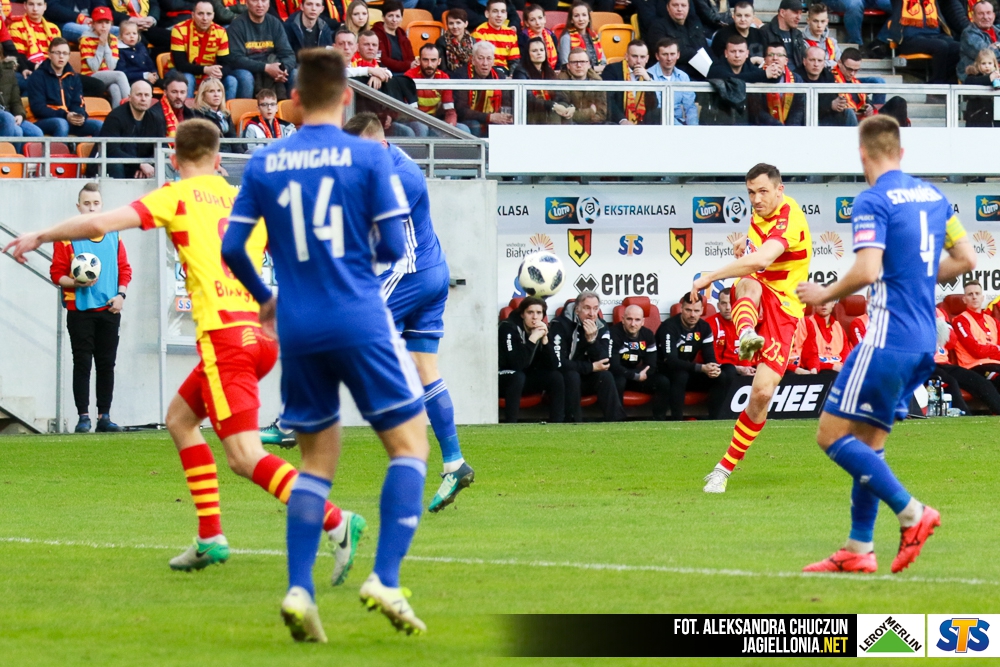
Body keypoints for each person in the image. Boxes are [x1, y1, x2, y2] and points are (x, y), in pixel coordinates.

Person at [4, 119, 366, 592]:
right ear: (219, 160)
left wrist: (41, 235)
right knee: (179, 418)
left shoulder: (175, 196)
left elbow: (97, 224)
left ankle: (337, 520)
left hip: (226, 340)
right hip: (259, 335)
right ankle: (210, 536)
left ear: (174, 159)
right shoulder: (244, 199)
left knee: (244, 456)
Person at [221, 48, 431, 640]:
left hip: (298, 324)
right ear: (346, 98)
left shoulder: (265, 160)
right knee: (409, 446)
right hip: (359, 316)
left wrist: (265, 297)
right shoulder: (369, 155)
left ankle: (299, 589)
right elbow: (393, 246)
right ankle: (385, 578)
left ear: (293, 100)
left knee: (315, 462)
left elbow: (234, 248)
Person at [795, 115, 976, 574]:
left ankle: (912, 512)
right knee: (868, 444)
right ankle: (859, 548)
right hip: (923, 340)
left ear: (862, 154)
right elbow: (967, 258)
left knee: (830, 435)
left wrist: (824, 293)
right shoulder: (934, 197)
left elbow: (867, 270)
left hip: (887, 337)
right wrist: (916, 276)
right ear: (901, 152)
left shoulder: (872, 200)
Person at [343, 110, 475, 513]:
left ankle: (292, 421)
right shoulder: (387, 160)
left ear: (380, 144)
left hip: (411, 273)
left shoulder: (401, 177)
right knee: (425, 369)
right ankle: (454, 463)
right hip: (431, 272)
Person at [693, 163, 812, 493]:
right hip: (759, 290)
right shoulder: (759, 213)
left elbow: (762, 259)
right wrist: (745, 247)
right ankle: (746, 333)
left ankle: (724, 467)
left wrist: (709, 276)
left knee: (761, 394)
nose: (756, 199)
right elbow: (756, 259)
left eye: (762, 191)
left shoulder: (789, 218)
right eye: (750, 192)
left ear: (779, 190)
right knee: (748, 283)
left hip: (785, 309)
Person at [47, 184, 131, 433]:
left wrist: (121, 295)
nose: (92, 208)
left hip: (109, 309)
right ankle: (83, 417)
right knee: (82, 363)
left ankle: (104, 417)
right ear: (78, 207)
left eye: (96, 203)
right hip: (80, 311)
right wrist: (75, 282)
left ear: (101, 206)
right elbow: (56, 274)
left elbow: (124, 269)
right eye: (87, 204)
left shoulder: (114, 233)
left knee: (106, 364)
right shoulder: (66, 236)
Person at [551, 291, 626, 422]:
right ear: (577, 309)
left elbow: (605, 361)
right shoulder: (560, 325)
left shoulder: (601, 325)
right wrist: (590, 367)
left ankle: (616, 422)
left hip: (588, 377)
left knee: (605, 376)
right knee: (572, 375)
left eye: (595, 308)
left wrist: (592, 341)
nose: (592, 313)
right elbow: (558, 363)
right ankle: (574, 423)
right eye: (587, 308)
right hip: (566, 378)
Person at [657, 294, 734, 420]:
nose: (692, 315)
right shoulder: (669, 327)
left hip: (688, 370)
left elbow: (710, 356)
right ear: (681, 309)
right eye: (688, 310)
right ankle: (677, 420)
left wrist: (713, 368)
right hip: (665, 371)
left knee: (723, 373)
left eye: (696, 311)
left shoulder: (704, 327)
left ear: (702, 311)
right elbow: (671, 360)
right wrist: (701, 368)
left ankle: (716, 419)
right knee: (681, 374)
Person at [498, 296, 565, 423]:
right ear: (522, 314)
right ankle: (510, 424)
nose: (535, 317)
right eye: (530, 312)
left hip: (525, 378)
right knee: (518, 376)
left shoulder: (543, 329)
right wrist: (533, 339)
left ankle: (557, 424)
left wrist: (545, 340)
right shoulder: (508, 328)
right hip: (503, 377)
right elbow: (516, 364)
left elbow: (554, 365)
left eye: (539, 313)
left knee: (555, 377)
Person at [26, 39, 104, 137]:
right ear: (49, 55)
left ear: (69, 56)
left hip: (68, 119)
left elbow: (78, 103)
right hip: (43, 120)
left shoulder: (73, 76)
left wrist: (79, 115)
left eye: (65, 53)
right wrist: (65, 115)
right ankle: (58, 148)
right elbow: (38, 108)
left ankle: (95, 149)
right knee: (61, 124)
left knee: (99, 125)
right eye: (57, 53)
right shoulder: (37, 76)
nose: (61, 56)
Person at [169, 0, 238, 101]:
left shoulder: (221, 32)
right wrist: (205, 70)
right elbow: (181, 65)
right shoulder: (179, 29)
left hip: (209, 74)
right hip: (181, 72)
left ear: (213, 16)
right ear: (193, 15)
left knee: (232, 80)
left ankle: (225, 111)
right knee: (188, 78)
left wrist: (219, 72)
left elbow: (226, 64)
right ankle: (186, 110)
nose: (205, 18)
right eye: (200, 14)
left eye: (208, 14)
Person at [228, 0, 297, 100]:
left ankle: (288, 109)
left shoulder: (275, 23)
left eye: (264, 0)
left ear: (269, 4)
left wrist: (282, 70)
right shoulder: (237, 25)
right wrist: (265, 68)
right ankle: (245, 109)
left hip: (273, 65)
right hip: (248, 69)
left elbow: (288, 54)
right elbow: (236, 59)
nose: (260, 5)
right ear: (246, 3)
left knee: (295, 74)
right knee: (245, 77)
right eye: (255, 1)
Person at [95, 80, 165, 178]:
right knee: (115, 165)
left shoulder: (155, 119)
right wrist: (139, 164)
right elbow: (111, 150)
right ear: (129, 97)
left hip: (139, 167)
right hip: (109, 167)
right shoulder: (115, 117)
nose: (143, 99)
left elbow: (162, 147)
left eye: (147, 95)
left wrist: (148, 165)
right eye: (139, 95)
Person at [611, 304, 669, 420]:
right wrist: (635, 375)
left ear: (643, 322)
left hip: (637, 376)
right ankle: (617, 421)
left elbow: (651, 365)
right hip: (619, 375)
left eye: (637, 320)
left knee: (663, 381)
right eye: (629, 319)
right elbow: (614, 366)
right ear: (623, 319)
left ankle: (659, 420)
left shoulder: (647, 335)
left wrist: (638, 375)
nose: (633, 324)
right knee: (619, 381)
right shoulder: (613, 333)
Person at [887, 0, 961, 85]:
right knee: (940, 46)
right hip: (908, 40)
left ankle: (948, 80)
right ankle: (937, 82)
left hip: (934, 36)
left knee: (958, 47)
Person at [404, 44, 472, 134]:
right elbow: (412, 113)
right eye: (425, 60)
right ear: (419, 60)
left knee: (463, 129)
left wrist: (450, 126)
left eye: (433, 60)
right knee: (421, 127)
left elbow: (449, 111)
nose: (429, 64)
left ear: (439, 61)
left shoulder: (443, 78)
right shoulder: (409, 76)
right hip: (413, 120)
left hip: (435, 121)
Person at [452, 40, 511, 137]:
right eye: (481, 58)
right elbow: (461, 110)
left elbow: (506, 103)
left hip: (493, 118)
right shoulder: (462, 75)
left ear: (493, 61)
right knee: (474, 124)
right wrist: (488, 117)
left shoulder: (499, 76)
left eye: (489, 58)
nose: (485, 63)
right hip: (467, 120)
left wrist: (505, 117)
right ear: (473, 60)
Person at [513, 36, 573, 124]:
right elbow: (527, 99)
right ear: (528, 54)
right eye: (534, 51)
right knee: (554, 111)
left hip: (546, 111)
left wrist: (568, 106)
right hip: (530, 114)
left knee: (565, 108)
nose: (539, 53)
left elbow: (559, 94)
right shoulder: (520, 71)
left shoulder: (548, 71)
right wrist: (552, 106)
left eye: (541, 50)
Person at [952, 280, 1000, 391]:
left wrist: (990, 350)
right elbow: (976, 350)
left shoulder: (993, 321)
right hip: (975, 367)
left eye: (977, 294)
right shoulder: (960, 320)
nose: (974, 297)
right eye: (970, 294)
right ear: (964, 299)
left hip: (995, 365)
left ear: (982, 297)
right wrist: (996, 349)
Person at [646, 0, 712, 80]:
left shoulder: (695, 24)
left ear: (688, 7)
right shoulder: (658, 27)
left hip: (701, 72)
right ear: (668, 7)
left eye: (683, 5)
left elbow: (704, 48)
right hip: (675, 75)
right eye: (675, 5)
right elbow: (663, 53)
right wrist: (694, 54)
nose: (679, 9)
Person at [79, 6, 131, 107]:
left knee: (115, 88)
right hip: (90, 75)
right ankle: (131, 105)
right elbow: (94, 67)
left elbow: (111, 66)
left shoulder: (113, 39)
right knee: (120, 75)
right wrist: (101, 45)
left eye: (107, 23)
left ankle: (117, 114)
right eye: (100, 22)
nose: (103, 26)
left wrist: (106, 43)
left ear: (111, 24)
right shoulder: (85, 39)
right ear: (93, 24)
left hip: (107, 75)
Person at [601, 39, 662, 125]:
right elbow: (607, 99)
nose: (638, 61)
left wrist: (648, 81)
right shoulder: (612, 70)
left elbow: (653, 106)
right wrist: (622, 120)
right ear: (626, 56)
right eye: (634, 56)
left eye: (642, 57)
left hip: (640, 123)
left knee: (659, 113)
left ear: (647, 59)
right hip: (617, 122)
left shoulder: (648, 76)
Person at [9, 0, 62, 87]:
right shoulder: (16, 27)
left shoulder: (54, 29)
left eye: (39, 4)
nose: (35, 9)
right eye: (31, 4)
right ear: (25, 5)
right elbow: (18, 56)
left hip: (52, 71)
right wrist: (37, 67)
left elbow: (60, 54)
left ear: (45, 6)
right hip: (29, 70)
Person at [707, 287, 756, 378]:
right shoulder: (710, 324)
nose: (728, 308)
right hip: (721, 371)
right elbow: (712, 359)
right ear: (718, 305)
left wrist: (746, 368)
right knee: (729, 372)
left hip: (743, 370)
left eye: (731, 303)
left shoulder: (746, 322)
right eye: (724, 303)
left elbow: (747, 352)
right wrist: (737, 368)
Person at [801, 45, 855, 126]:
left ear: (824, 63)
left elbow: (833, 98)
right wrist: (830, 105)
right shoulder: (796, 77)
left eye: (820, 61)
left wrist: (839, 104)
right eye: (812, 60)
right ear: (804, 61)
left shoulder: (829, 76)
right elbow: (801, 106)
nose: (816, 64)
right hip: (806, 119)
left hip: (827, 115)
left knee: (848, 112)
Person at [648, 37, 697, 125]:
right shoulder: (648, 75)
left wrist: (693, 129)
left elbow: (690, 107)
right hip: (658, 124)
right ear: (657, 56)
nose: (669, 58)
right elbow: (657, 109)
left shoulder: (683, 77)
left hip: (680, 124)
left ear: (678, 55)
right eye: (665, 54)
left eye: (672, 54)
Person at [556, 46, 608, 124]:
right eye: (574, 62)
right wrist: (591, 111)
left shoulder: (597, 81)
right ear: (568, 65)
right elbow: (565, 113)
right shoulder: (561, 81)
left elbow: (602, 113)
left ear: (589, 64)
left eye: (583, 62)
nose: (579, 65)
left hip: (594, 125)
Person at [760, 42, 804, 126]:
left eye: (780, 55)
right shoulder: (757, 77)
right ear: (765, 60)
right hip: (765, 128)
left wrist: (789, 128)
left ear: (786, 61)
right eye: (771, 55)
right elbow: (757, 109)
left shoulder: (797, 79)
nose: (775, 58)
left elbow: (799, 107)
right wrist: (777, 126)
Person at [0, 55, 43, 140]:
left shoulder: (9, 74)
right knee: (17, 131)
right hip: (6, 117)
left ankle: (16, 149)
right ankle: (6, 149)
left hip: (9, 115)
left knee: (37, 133)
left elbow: (16, 101)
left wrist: (19, 114)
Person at [799, 300, 848, 373]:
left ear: (833, 303)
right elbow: (805, 359)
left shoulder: (839, 327)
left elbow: (846, 357)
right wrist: (831, 366)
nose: (824, 304)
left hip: (839, 372)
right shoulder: (806, 324)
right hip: (817, 371)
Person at [831, 48, 877, 125]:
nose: (852, 73)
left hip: (860, 119)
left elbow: (862, 106)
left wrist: (868, 108)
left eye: (856, 70)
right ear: (839, 63)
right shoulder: (829, 79)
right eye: (849, 69)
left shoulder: (856, 82)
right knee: (849, 112)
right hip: (841, 121)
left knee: (897, 101)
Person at [558, 1, 606, 74]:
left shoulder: (595, 36)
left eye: (584, 15)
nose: (581, 19)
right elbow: (565, 65)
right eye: (576, 16)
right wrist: (593, 69)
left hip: (598, 75)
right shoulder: (566, 38)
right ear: (571, 20)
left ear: (589, 18)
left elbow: (604, 63)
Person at [472, 0, 519, 72]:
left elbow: (514, 61)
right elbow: (479, 61)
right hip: (486, 71)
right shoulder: (479, 33)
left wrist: (512, 75)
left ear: (506, 15)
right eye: (495, 11)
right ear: (487, 14)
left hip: (505, 72)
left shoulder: (511, 33)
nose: (499, 15)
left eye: (502, 12)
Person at [192, 76, 240, 147]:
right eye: (211, 91)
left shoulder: (226, 114)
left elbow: (234, 140)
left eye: (219, 91)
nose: (216, 95)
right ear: (203, 95)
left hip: (229, 152)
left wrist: (241, 153)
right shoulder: (197, 114)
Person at [958, 0, 1000, 81]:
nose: (985, 17)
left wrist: (995, 46)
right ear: (973, 17)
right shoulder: (969, 33)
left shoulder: (998, 31)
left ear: (994, 15)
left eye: (988, 13)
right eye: (981, 14)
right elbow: (986, 56)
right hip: (977, 76)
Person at [760, 0, 807, 72]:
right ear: (782, 12)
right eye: (796, 12)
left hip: (798, 75)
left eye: (800, 13)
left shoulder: (798, 34)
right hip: (775, 74)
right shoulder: (765, 32)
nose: (799, 17)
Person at [373, 0, 415, 74]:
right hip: (386, 73)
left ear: (402, 18)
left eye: (397, 16)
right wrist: (408, 65)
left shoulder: (402, 35)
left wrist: (411, 64)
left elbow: (411, 58)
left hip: (405, 73)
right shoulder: (376, 34)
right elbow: (384, 60)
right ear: (383, 17)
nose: (394, 20)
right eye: (390, 16)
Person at [45, 0, 116, 43]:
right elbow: (51, 8)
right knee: (91, 31)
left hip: (92, 22)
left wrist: (98, 19)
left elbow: (100, 5)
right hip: (64, 23)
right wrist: (78, 18)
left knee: (119, 31)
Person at [148, 70, 195, 136]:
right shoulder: (153, 115)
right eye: (174, 92)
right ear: (165, 92)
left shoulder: (191, 115)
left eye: (182, 92)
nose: (179, 96)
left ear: (187, 93)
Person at [115, 19, 159, 85]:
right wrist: (144, 75)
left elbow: (149, 61)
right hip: (134, 80)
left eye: (134, 33)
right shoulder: (120, 51)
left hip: (149, 76)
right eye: (127, 34)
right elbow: (122, 73)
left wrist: (154, 72)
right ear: (121, 37)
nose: (132, 36)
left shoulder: (140, 46)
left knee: (166, 84)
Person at [963, 48, 1000, 126]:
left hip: (993, 117)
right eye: (983, 63)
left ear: (994, 64)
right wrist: (989, 78)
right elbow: (970, 83)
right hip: (976, 116)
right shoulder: (972, 76)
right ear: (978, 64)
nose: (987, 66)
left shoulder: (997, 77)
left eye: (990, 63)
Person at [518, 4, 557, 70]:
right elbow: (523, 60)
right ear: (527, 23)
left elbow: (558, 57)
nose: (538, 23)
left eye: (540, 18)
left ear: (544, 19)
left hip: (551, 71)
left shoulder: (551, 35)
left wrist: (557, 70)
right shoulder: (523, 37)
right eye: (532, 20)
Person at [436, 6, 475, 73]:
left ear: (466, 24)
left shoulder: (472, 41)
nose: (454, 26)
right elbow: (443, 69)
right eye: (451, 23)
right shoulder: (441, 42)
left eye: (458, 23)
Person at [803, 2, 840, 69]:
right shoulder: (802, 43)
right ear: (808, 21)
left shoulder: (832, 42)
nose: (819, 25)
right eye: (815, 21)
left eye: (822, 21)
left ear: (827, 22)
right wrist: (832, 63)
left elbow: (841, 64)